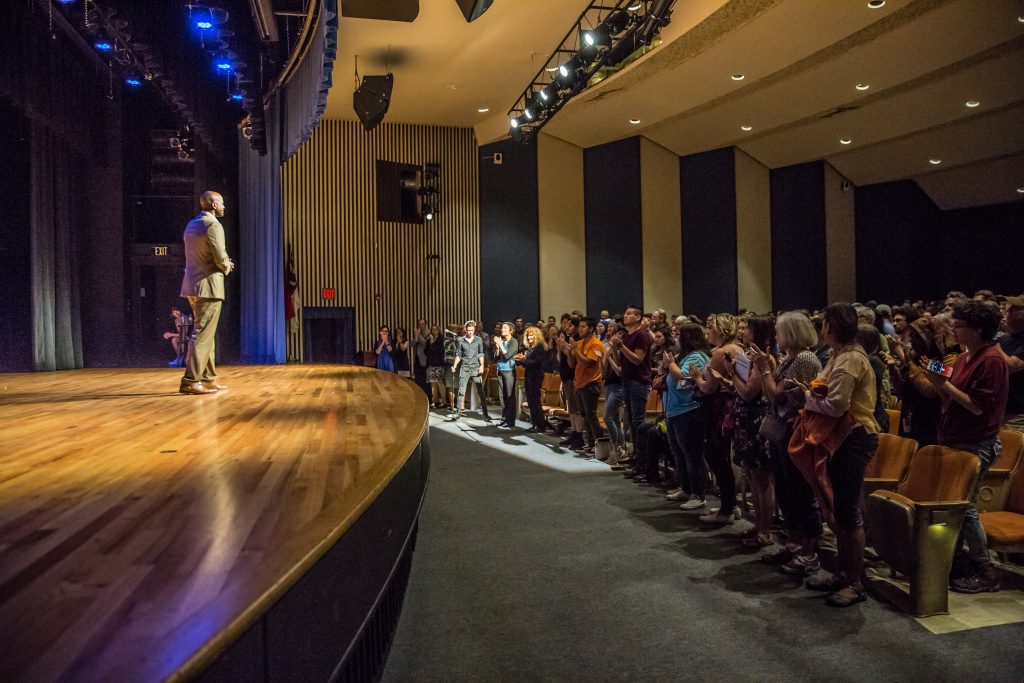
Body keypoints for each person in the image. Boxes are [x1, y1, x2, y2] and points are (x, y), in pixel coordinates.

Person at [919, 299, 1008, 593]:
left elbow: (978, 407)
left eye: (960, 326)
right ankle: (958, 561)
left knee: (965, 506)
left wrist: (942, 385)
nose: (954, 330)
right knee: (956, 506)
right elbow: (947, 396)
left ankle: (987, 570)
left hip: (975, 442)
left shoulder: (992, 359)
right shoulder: (964, 355)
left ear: (978, 329)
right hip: (955, 439)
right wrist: (934, 375)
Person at [798, 303, 879, 607]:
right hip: (842, 436)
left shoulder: (849, 360)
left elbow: (836, 405)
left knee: (847, 510)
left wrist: (804, 397)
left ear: (831, 328)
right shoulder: (839, 355)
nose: (821, 330)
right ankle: (843, 573)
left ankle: (855, 583)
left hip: (854, 436)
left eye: (823, 324)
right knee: (840, 508)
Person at [751, 312, 823, 575]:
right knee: (785, 490)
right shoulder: (789, 358)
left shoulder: (805, 358)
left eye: (780, 332)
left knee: (800, 492)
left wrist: (765, 370)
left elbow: (778, 397)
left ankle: (810, 550)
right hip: (782, 431)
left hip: (797, 431)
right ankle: (794, 542)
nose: (777, 338)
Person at [179, 190, 233, 395]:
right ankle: (191, 380)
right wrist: (227, 266)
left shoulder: (192, 224)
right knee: (202, 334)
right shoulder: (213, 225)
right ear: (213, 206)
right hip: (209, 286)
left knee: (206, 334)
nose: (224, 207)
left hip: (192, 285)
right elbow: (220, 256)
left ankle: (208, 378)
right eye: (221, 203)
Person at [663, 322, 711, 510]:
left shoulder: (698, 356)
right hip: (675, 410)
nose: (676, 339)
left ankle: (699, 494)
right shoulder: (684, 355)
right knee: (679, 453)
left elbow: (683, 377)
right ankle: (686, 487)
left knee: (692, 455)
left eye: (679, 336)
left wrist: (671, 364)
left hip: (689, 410)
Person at [609, 305, 652, 458]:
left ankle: (642, 456)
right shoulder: (626, 336)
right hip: (626, 380)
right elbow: (620, 363)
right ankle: (635, 454)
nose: (625, 316)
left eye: (628, 314)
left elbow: (638, 359)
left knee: (638, 421)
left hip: (639, 382)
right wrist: (614, 347)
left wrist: (622, 346)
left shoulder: (642, 334)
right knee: (630, 422)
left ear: (638, 317)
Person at [562, 316, 604, 455]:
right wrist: (567, 352)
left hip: (591, 383)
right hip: (579, 383)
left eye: (583, 327)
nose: (580, 329)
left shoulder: (596, 344)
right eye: (579, 326)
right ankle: (590, 443)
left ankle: (598, 443)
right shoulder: (579, 343)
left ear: (591, 329)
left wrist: (575, 349)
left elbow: (588, 362)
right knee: (584, 415)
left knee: (591, 416)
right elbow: (572, 364)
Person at [451, 320, 490, 421]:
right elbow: (459, 355)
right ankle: (458, 412)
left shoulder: (478, 340)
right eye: (468, 330)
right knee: (461, 390)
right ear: (465, 330)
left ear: (474, 330)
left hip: (475, 367)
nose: (470, 332)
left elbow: (481, 353)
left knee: (480, 391)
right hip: (465, 367)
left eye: (472, 330)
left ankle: (485, 414)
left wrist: (481, 365)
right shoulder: (460, 341)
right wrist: (455, 365)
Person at [515, 326, 549, 433]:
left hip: (535, 376)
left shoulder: (539, 346)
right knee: (531, 401)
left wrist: (522, 361)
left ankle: (540, 425)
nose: (529, 337)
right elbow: (528, 363)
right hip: (529, 375)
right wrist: (520, 360)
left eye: (531, 335)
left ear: (536, 336)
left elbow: (536, 363)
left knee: (535, 401)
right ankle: (534, 424)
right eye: (528, 335)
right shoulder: (531, 348)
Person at [493, 322, 519, 428]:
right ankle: (504, 418)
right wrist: (498, 347)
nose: (502, 329)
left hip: (509, 371)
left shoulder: (514, 341)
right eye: (502, 328)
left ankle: (510, 420)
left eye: (504, 328)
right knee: (502, 396)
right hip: (501, 370)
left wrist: (500, 344)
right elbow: (496, 357)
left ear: (510, 330)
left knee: (509, 396)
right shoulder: (502, 341)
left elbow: (508, 355)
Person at [413, 318, 431, 394]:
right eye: (419, 324)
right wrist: (416, 337)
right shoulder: (417, 333)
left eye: (422, 324)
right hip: (417, 358)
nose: (421, 326)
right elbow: (412, 344)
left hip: (425, 359)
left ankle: (427, 397)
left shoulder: (429, 333)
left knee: (425, 380)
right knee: (417, 378)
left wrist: (418, 336)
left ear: (425, 324)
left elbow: (425, 344)